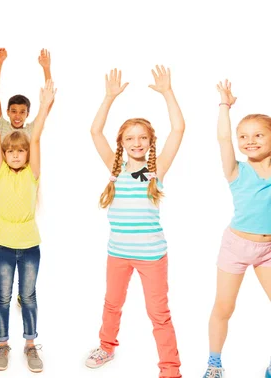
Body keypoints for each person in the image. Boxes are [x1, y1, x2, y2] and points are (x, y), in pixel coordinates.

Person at [84, 67, 185, 378]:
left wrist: (168, 92)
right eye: (130, 138)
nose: (137, 142)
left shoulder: (156, 171)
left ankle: (170, 369)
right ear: (122, 143)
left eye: (142, 138)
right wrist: (109, 97)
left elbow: (179, 129)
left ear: (150, 141)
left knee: (159, 314)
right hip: (118, 254)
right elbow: (95, 132)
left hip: (152, 257)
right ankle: (106, 346)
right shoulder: (115, 171)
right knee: (111, 304)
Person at [0, 76, 55, 372]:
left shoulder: (32, 174)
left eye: (20, 152)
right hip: (3, 245)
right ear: (5, 155)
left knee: (29, 297)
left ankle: (31, 344)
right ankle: (2, 343)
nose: (15, 155)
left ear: (27, 154)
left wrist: (45, 105)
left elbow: (35, 138)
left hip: (30, 245)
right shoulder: (1, 173)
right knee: (4, 297)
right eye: (11, 152)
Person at [202, 80, 271, 378]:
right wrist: (224, 107)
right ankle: (214, 363)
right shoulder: (236, 170)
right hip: (236, 247)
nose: (249, 141)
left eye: (258, 135)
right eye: (244, 136)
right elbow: (223, 140)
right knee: (224, 307)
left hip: (268, 250)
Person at [0, 48, 54, 313]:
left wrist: (46, 68)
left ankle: (25, 291)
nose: (17, 115)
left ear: (27, 114)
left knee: (25, 236)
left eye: (21, 112)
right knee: (2, 241)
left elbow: (48, 105)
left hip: (27, 186)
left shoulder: (29, 131)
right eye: (13, 111)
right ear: (7, 111)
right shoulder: (1, 127)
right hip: (3, 188)